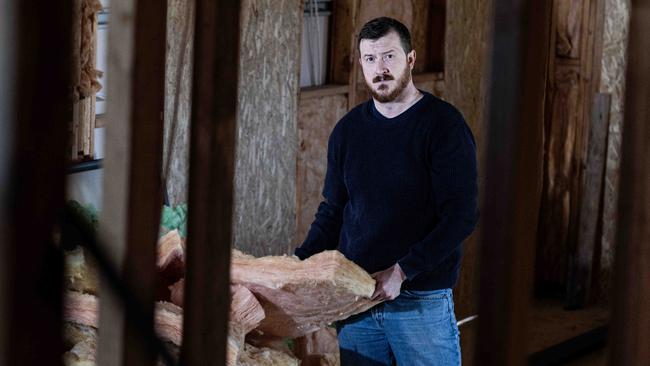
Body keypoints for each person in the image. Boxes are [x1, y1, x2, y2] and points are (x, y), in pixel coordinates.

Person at [294, 17, 478, 365]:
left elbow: (461, 216)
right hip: (357, 300)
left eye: (389, 56)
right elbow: (333, 211)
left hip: (420, 301)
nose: (380, 69)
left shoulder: (443, 126)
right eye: (370, 59)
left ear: (410, 59)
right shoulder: (348, 131)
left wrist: (403, 270)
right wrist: (297, 265)